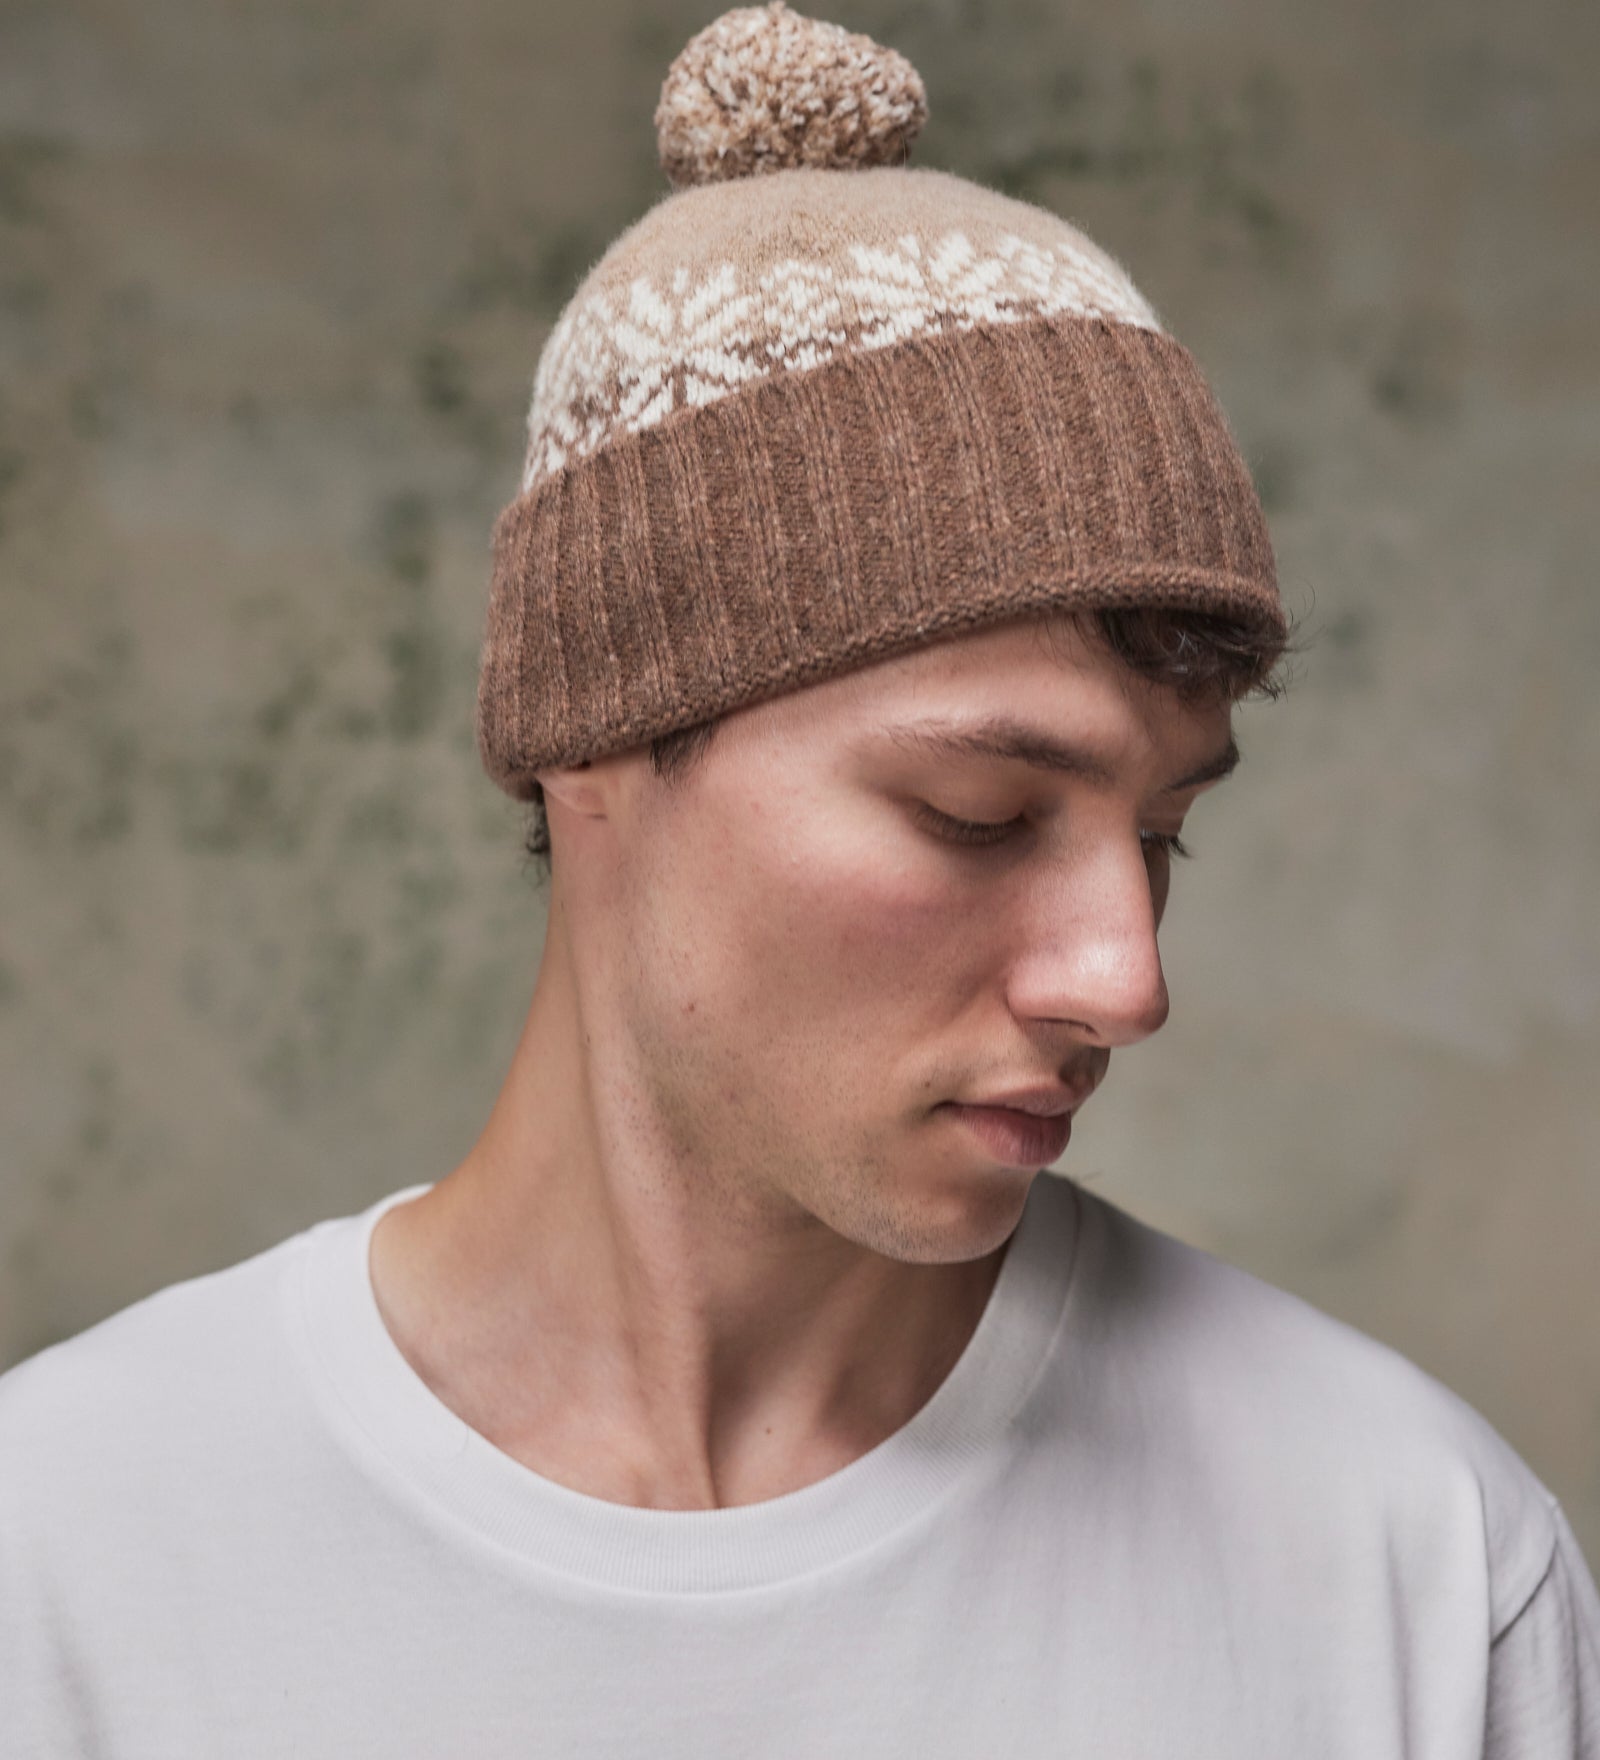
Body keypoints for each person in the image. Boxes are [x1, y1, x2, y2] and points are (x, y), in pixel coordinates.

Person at [3, 3, 1596, 1754]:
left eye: (1164, 835)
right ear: (596, 737)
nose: (1127, 982)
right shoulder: (67, 1561)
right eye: (981, 813)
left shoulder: (1417, 1571)